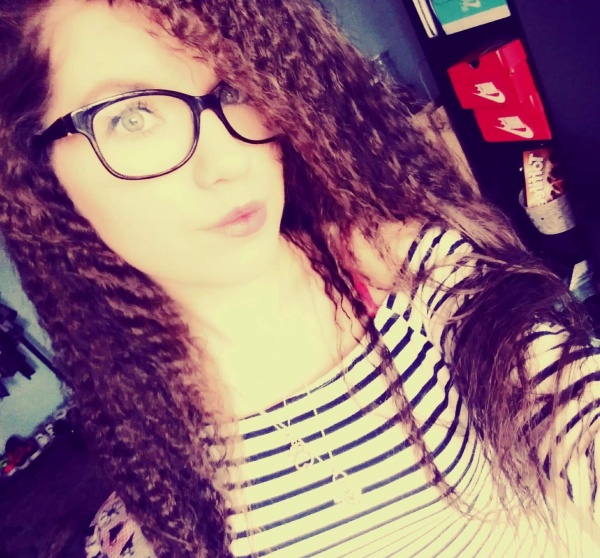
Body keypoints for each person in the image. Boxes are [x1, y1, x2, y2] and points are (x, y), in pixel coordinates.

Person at [0, 0, 599, 556]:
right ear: (37, 171)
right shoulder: (144, 474)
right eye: (132, 116)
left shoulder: (407, 268)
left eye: (234, 89)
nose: (227, 162)